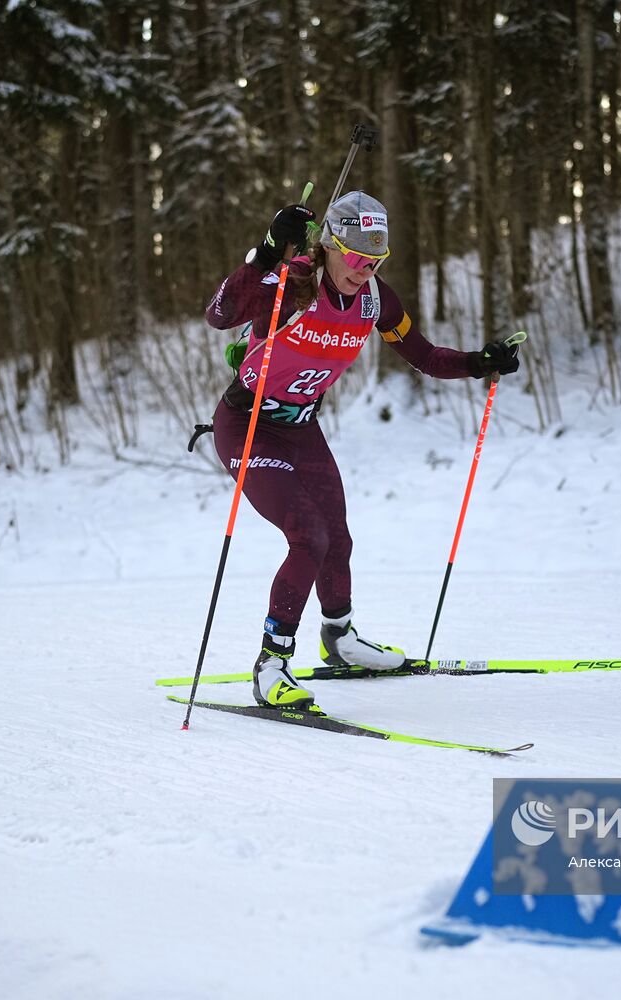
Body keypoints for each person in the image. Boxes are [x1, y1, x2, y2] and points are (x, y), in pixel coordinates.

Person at [204, 191, 519, 710]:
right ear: (329, 244)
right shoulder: (292, 284)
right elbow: (219, 314)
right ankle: (271, 665)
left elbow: (424, 355)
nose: (362, 270)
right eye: (354, 257)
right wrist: (265, 253)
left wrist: (479, 361)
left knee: (338, 537)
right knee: (309, 536)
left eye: (374, 261)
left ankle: (341, 641)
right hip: (247, 424)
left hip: (301, 428)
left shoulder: (375, 300)